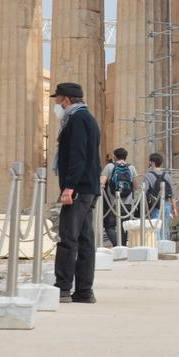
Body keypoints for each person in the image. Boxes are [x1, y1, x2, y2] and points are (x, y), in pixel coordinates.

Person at [52, 82, 101, 303]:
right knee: (84, 239)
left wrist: (69, 187)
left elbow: (78, 155)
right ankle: (83, 291)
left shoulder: (78, 120)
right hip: (87, 187)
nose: (56, 105)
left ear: (66, 101)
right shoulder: (87, 118)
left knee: (68, 237)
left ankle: (62, 288)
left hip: (78, 188)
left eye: (57, 100)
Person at [100, 147, 137, 246]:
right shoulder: (131, 168)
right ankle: (123, 247)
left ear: (115, 156)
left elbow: (101, 183)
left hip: (112, 203)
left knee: (109, 226)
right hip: (128, 202)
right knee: (124, 226)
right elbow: (136, 186)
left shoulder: (109, 167)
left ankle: (117, 245)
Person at [141, 152, 176, 243]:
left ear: (152, 163)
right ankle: (166, 247)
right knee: (165, 227)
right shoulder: (167, 175)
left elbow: (144, 191)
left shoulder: (148, 176)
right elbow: (172, 193)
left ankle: (158, 248)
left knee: (155, 227)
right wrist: (175, 208)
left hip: (155, 205)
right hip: (167, 204)